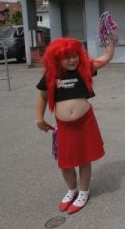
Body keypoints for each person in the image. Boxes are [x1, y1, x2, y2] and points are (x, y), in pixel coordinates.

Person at [35, 37, 115, 214]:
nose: (72, 60)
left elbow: (107, 57)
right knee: (65, 163)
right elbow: (42, 97)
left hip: (85, 121)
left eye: (74, 55)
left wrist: (110, 37)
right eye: (66, 57)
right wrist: (39, 118)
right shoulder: (51, 74)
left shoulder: (84, 69)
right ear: (56, 58)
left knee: (84, 159)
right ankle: (72, 190)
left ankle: (84, 192)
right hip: (64, 126)